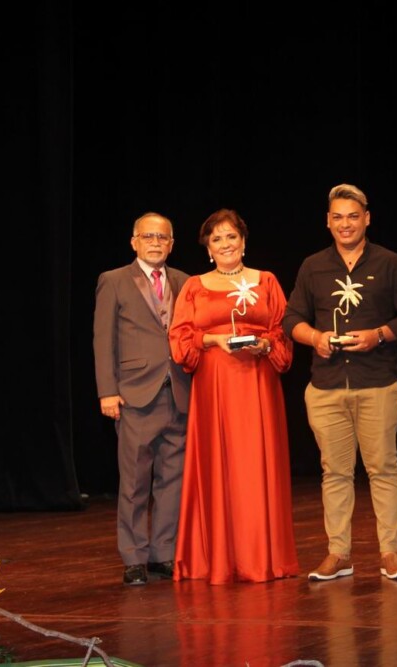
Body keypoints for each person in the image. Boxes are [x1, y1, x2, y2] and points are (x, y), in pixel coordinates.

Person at [283, 184, 397, 582]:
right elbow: (291, 319)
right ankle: (338, 554)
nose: (345, 224)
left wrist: (379, 335)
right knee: (335, 473)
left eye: (352, 216)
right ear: (327, 222)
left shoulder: (391, 263)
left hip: (377, 381)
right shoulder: (312, 266)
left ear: (367, 218)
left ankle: (390, 552)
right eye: (338, 217)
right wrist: (316, 338)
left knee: (384, 469)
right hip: (326, 386)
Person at [168, 209, 298, 584]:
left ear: (243, 241)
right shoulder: (194, 286)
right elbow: (180, 339)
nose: (225, 244)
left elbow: (282, 331)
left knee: (256, 465)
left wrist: (264, 344)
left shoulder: (267, 281)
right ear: (208, 248)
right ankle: (219, 560)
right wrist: (212, 339)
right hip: (215, 386)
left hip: (258, 385)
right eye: (217, 239)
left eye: (231, 237)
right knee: (218, 467)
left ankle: (262, 557)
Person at [94, 212, 191, 586]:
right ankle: (133, 556)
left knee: (172, 480)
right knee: (135, 481)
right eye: (148, 236)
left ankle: (163, 553)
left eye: (162, 237)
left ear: (171, 244)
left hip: (178, 392)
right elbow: (103, 339)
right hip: (134, 394)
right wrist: (107, 390)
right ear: (134, 241)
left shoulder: (184, 282)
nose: (155, 242)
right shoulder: (114, 280)